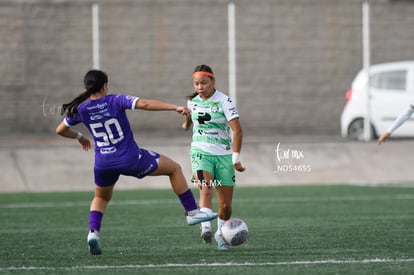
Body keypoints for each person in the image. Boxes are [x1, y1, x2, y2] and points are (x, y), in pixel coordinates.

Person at [56, 69, 218, 255]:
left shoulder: (81, 109)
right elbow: (146, 104)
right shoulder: (115, 100)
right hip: (130, 159)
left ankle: (93, 233)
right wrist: (174, 107)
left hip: (103, 163)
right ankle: (192, 212)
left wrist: (79, 136)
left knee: (100, 197)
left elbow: (60, 130)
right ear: (105, 86)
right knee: (174, 169)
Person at [182, 64, 245, 250]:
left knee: (225, 206)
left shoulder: (225, 101)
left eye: (203, 83)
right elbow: (189, 123)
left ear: (213, 81)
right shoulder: (192, 102)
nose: (200, 87)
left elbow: (238, 131)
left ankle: (221, 235)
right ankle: (206, 228)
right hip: (200, 153)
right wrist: (186, 121)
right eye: (196, 84)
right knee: (205, 187)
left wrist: (235, 159)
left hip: (224, 156)